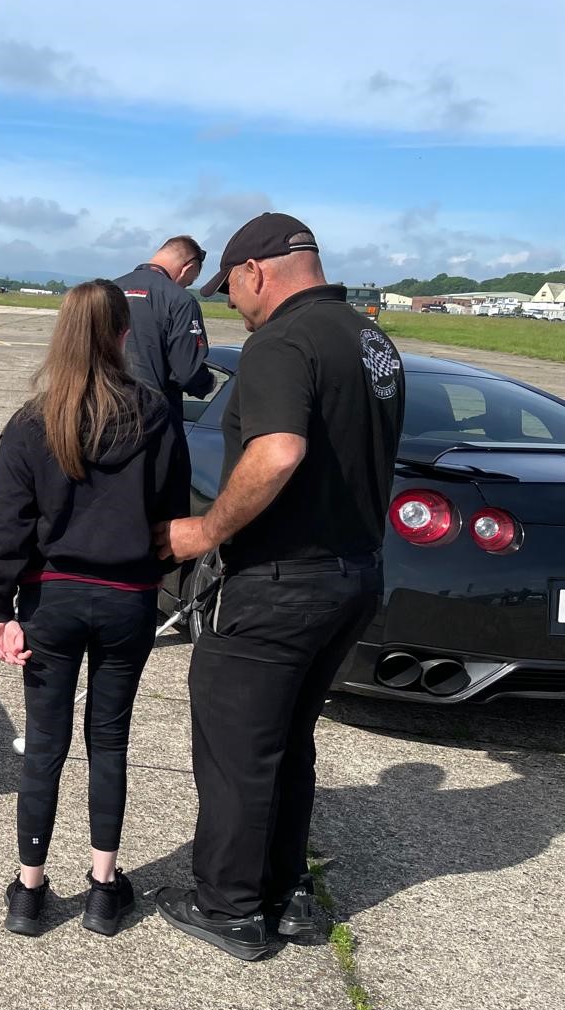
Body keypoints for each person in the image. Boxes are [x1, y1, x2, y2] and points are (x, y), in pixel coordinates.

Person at [153, 213, 406, 961]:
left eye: (231, 289)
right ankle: (288, 893)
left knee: (235, 746)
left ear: (257, 270)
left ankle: (229, 906)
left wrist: (203, 532)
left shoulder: (281, 343)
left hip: (281, 581)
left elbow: (279, 451)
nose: (233, 305)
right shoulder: (372, 340)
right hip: (355, 575)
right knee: (288, 742)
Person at [0, 279, 190, 938]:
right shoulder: (156, 414)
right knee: (109, 740)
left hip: (52, 601)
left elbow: (6, 526)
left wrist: (0, 606)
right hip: (128, 601)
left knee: (44, 745)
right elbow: (172, 519)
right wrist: (147, 571)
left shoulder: (30, 422)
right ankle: (103, 888)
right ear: (125, 335)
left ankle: (30, 892)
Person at [112, 236, 216, 418]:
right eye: (189, 282)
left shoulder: (108, 290)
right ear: (188, 268)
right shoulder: (181, 300)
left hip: (104, 413)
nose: (185, 286)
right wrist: (208, 383)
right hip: (154, 419)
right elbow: (187, 371)